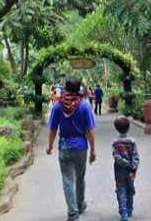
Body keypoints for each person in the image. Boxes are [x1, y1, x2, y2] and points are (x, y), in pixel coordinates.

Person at [47, 77, 97, 221]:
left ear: (66, 88)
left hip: (65, 146)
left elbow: (52, 129)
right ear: (79, 88)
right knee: (79, 177)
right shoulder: (84, 105)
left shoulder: (58, 106)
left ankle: (73, 213)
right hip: (81, 146)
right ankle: (80, 204)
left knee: (68, 180)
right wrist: (93, 149)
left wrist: (50, 146)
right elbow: (90, 131)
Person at [112, 116, 140, 221]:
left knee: (120, 190)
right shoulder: (132, 142)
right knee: (130, 190)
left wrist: (124, 163)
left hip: (119, 171)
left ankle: (123, 213)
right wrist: (133, 167)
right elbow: (136, 156)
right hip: (130, 171)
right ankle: (129, 210)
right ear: (128, 128)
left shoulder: (115, 142)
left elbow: (115, 156)